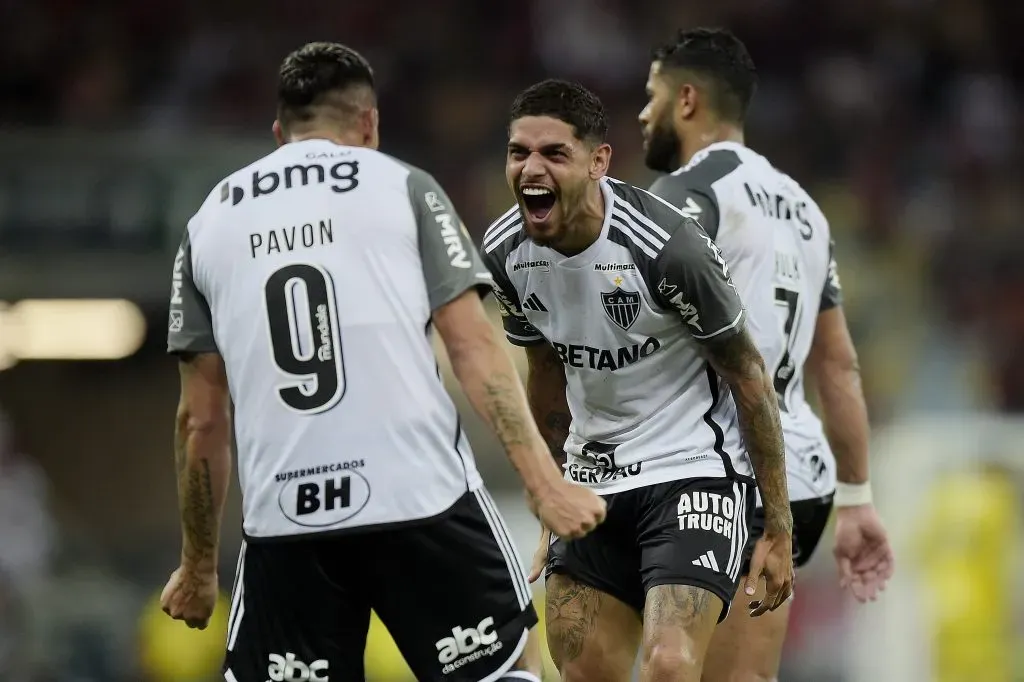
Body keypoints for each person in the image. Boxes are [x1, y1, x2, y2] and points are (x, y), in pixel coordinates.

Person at [158, 42, 606, 682]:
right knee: (506, 672)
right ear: (368, 124)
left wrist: (199, 567)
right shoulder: (403, 186)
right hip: (418, 500)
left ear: (279, 132)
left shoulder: (207, 224)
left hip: (288, 521)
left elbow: (199, 422)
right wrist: (544, 485)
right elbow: (473, 347)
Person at [482, 78, 794, 682]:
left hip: (690, 471)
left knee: (671, 666)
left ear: (599, 162)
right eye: (519, 153)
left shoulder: (667, 246)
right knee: (580, 671)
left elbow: (750, 377)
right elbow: (544, 369)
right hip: (592, 480)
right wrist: (550, 493)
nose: (530, 169)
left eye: (553, 154)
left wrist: (775, 525)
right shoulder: (504, 252)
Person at [639, 27, 895, 682]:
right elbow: (837, 363)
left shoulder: (686, 195)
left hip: (714, 475)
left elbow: (635, 334)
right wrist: (858, 496)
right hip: (801, 481)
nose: (643, 114)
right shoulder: (807, 210)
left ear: (687, 100)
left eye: (652, 96)